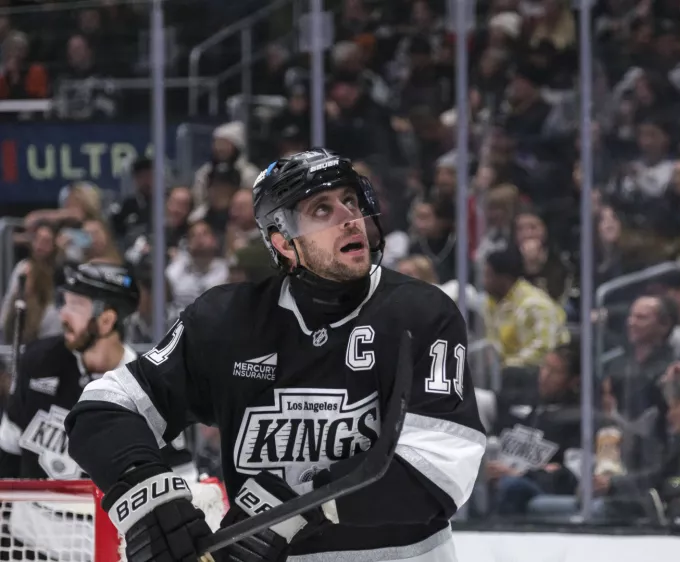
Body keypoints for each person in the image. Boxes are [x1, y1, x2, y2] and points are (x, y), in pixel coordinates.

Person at [65, 149, 486, 562]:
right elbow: (104, 406)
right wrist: (147, 496)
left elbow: (440, 466)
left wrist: (303, 507)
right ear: (284, 243)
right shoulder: (226, 320)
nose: (348, 217)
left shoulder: (421, 312)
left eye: (351, 201)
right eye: (322, 210)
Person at [0, 262, 195, 560]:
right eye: (65, 302)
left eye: (76, 306)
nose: (63, 313)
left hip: (103, 546)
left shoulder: (148, 385)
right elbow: (8, 449)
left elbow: (183, 479)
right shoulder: (39, 360)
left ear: (105, 321)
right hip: (26, 542)